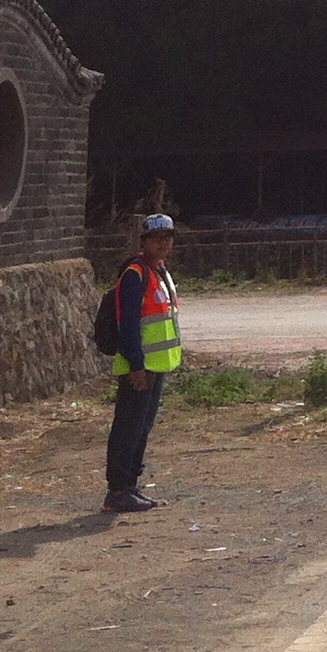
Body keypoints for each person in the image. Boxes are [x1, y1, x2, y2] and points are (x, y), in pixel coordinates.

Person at [102, 214, 182, 512]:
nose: (163, 243)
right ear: (144, 241)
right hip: (140, 367)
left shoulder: (159, 271)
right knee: (128, 427)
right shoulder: (135, 274)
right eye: (156, 238)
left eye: (168, 238)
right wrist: (136, 365)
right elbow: (129, 323)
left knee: (141, 427)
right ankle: (117, 490)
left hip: (155, 366)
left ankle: (130, 486)